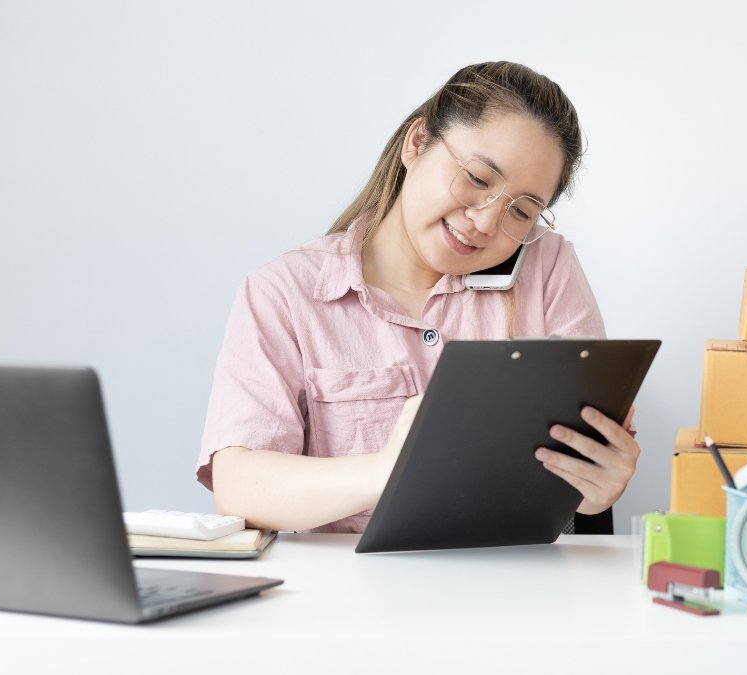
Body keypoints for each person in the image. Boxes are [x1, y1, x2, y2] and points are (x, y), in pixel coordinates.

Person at [196, 61, 640, 533]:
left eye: (523, 211)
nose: (487, 222)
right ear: (417, 142)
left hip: (514, 589)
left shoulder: (547, 267)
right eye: (478, 179)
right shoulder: (285, 293)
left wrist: (599, 490)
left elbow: (587, 464)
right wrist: (386, 469)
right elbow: (239, 485)